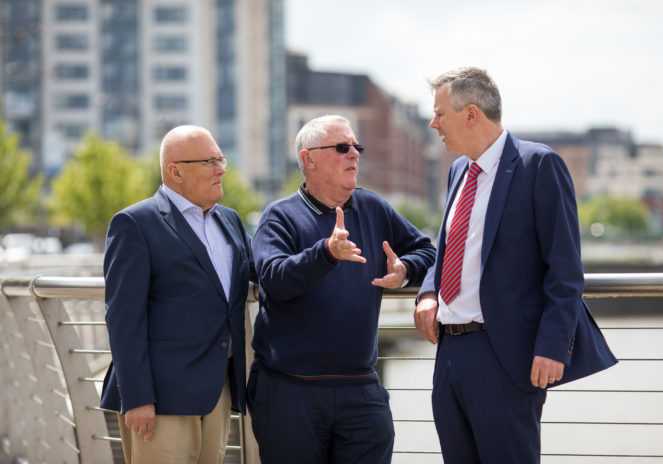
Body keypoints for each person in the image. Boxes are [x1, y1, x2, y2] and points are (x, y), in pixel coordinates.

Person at [413, 67, 618, 463]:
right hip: (449, 355)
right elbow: (449, 247)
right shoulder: (458, 171)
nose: (432, 123)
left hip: (506, 356)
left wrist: (553, 347)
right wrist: (427, 290)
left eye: (440, 114)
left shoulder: (539, 165)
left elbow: (564, 270)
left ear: (471, 114)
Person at [248, 115, 436, 463]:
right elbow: (273, 278)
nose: (354, 154)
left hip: (361, 389)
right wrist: (326, 253)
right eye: (341, 147)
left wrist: (405, 270)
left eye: (356, 146)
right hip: (291, 390)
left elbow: (429, 250)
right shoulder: (279, 217)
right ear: (308, 159)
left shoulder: (373, 207)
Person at [101, 125, 254, 464]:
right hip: (160, 399)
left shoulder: (230, 220)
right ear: (176, 170)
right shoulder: (135, 223)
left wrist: (326, 255)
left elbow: (263, 276)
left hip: (217, 392)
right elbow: (124, 318)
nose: (221, 169)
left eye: (221, 159)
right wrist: (137, 398)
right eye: (210, 161)